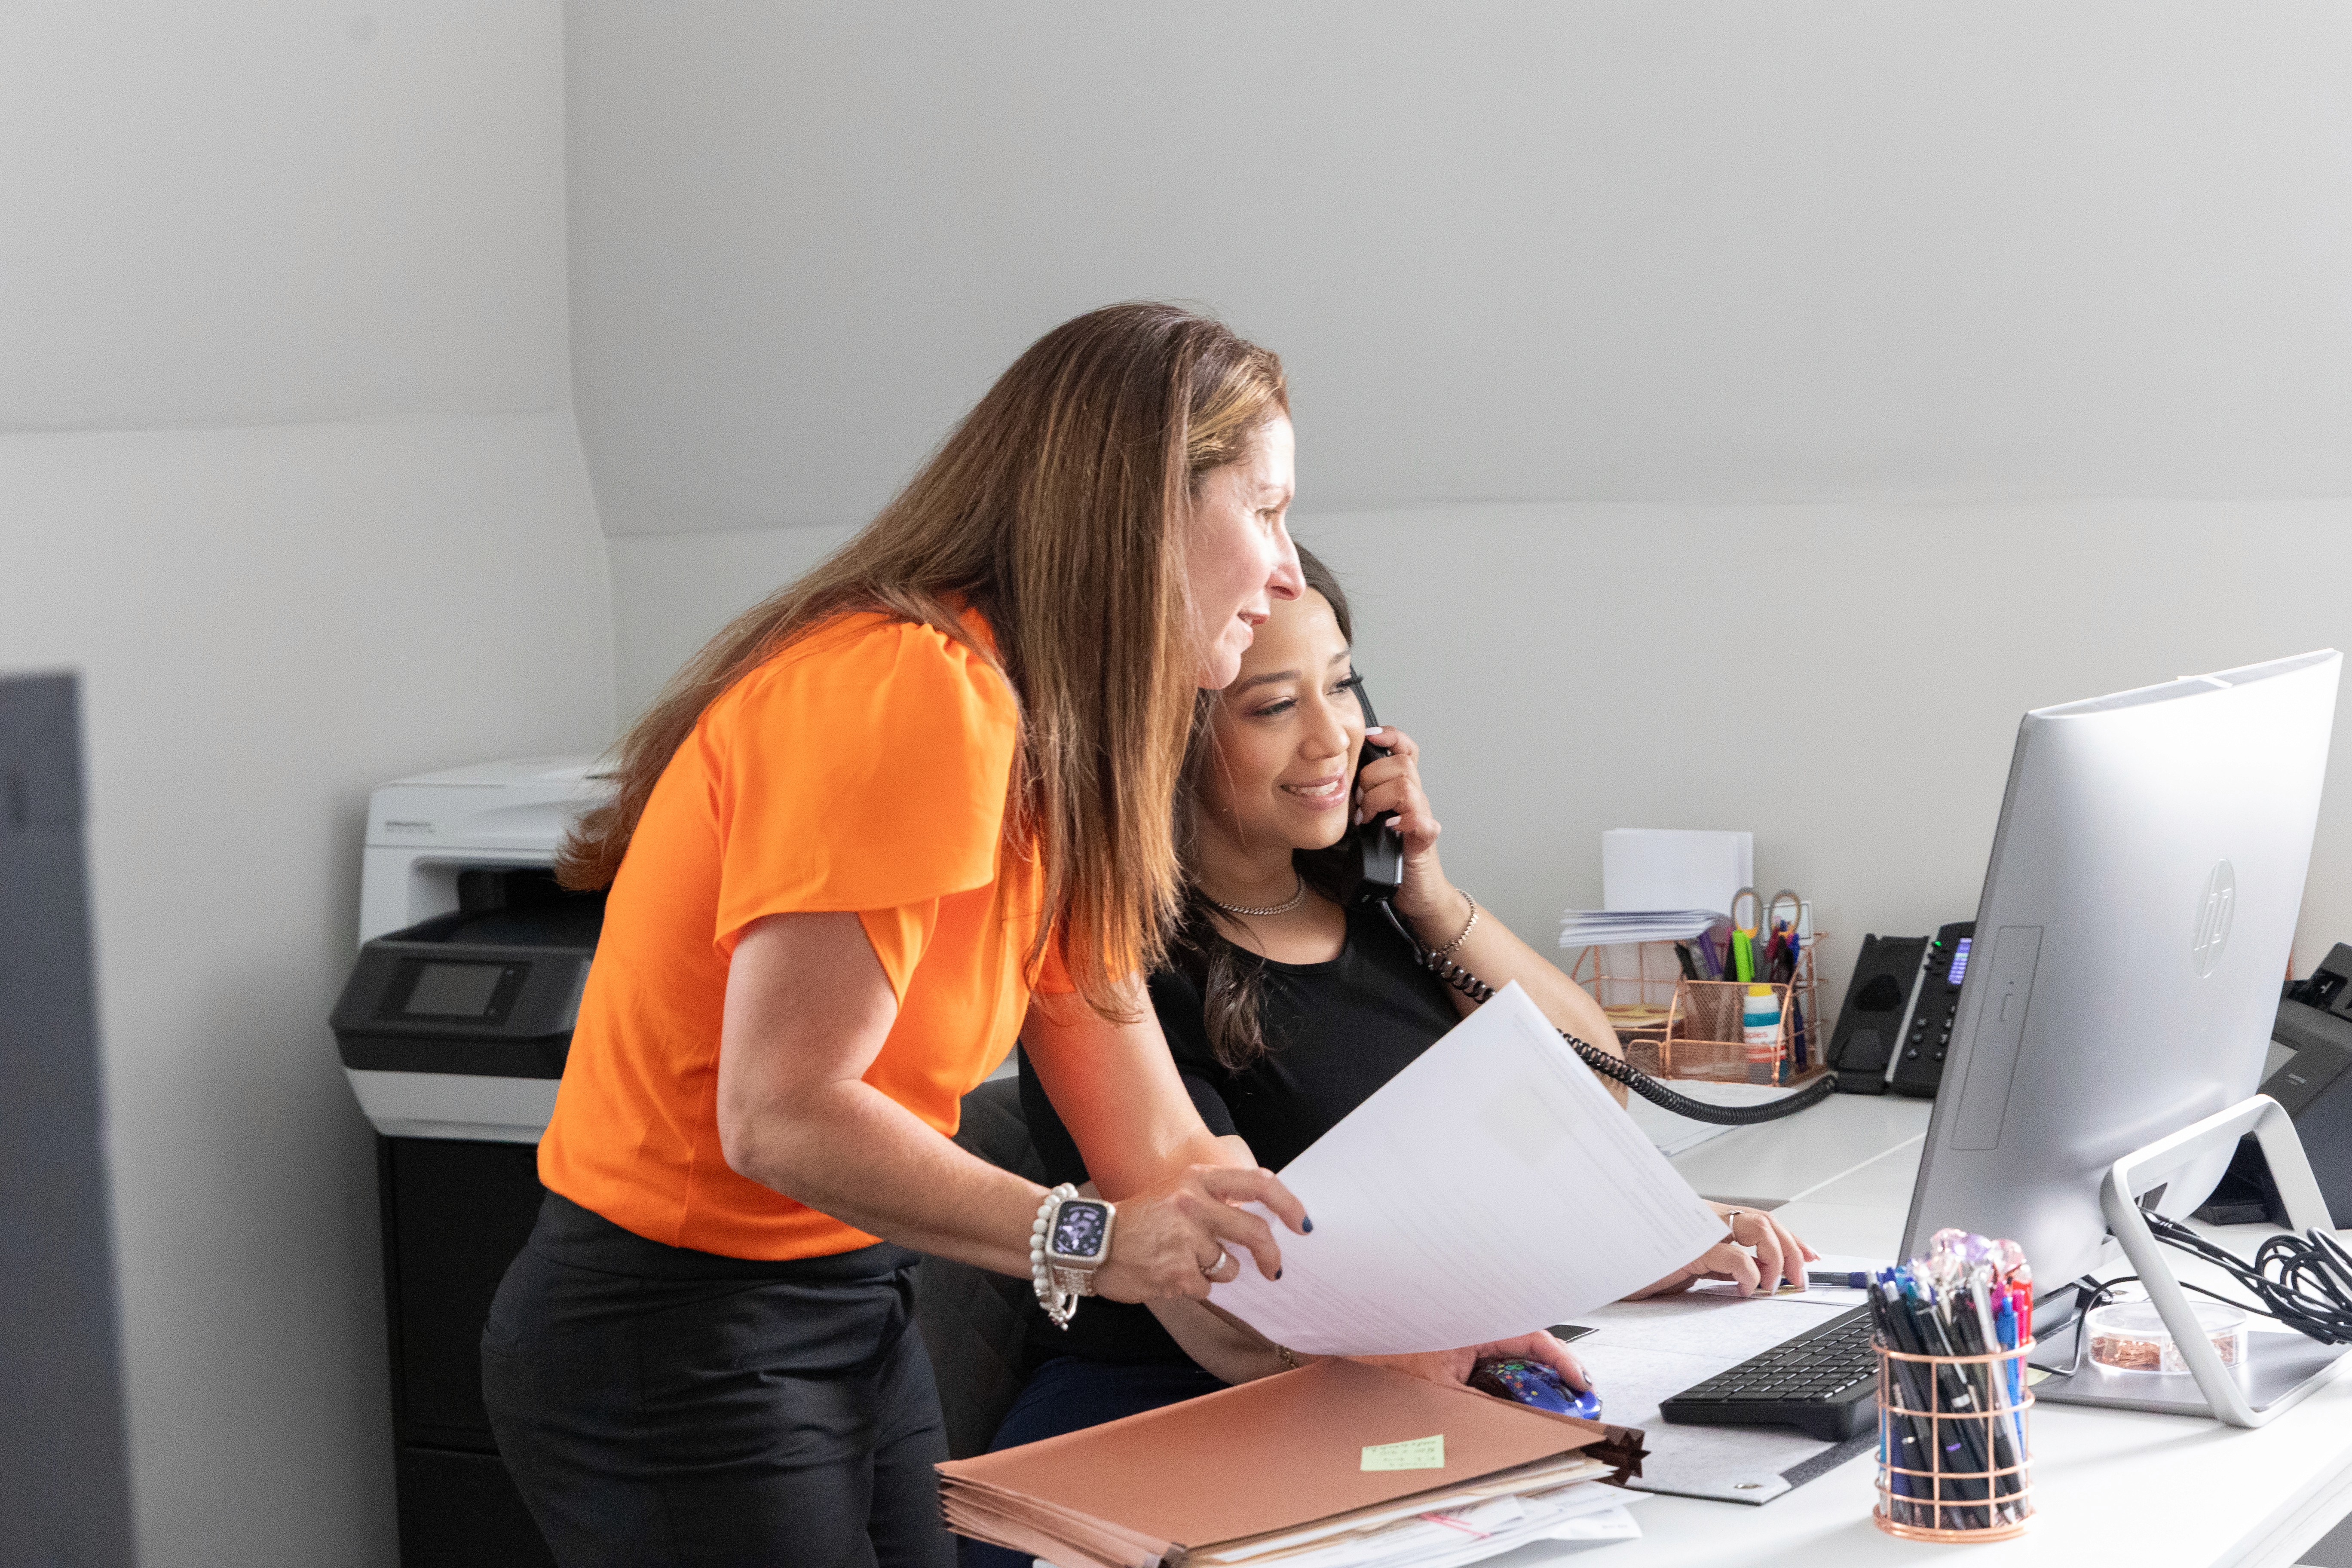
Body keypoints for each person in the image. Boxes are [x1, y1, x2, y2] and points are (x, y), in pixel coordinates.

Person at [480, 307, 1572, 1568]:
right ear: (1142, 516)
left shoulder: (1065, 756)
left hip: (851, 1299)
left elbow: (1162, 1152)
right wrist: (1092, 1243)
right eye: (1266, 513)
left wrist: (1415, 1332)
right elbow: (782, 1115)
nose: (1286, 572)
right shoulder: (916, 690)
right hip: (670, 1330)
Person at [978, 548, 1817, 1522]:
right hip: (1186, 1412)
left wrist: (1430, 894)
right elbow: (1216, 1291)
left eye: (1341, 686)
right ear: (1166, 740)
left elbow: (1596, 1096)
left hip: (1398, 1374)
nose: (1332, 736)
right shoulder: (1115, 971)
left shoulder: (1381, 915)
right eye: (1272, 706)